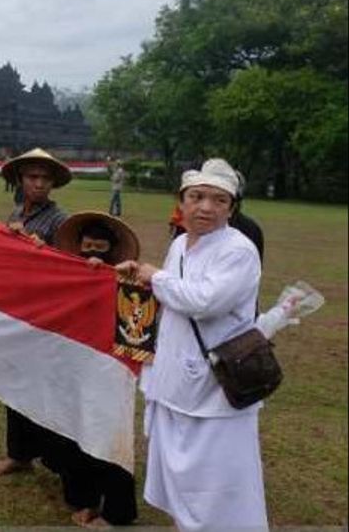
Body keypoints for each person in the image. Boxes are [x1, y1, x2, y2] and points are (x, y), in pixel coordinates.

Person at [116, 158, 268, 531]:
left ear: (231, 208)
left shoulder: (239, 250)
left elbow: (203, 301)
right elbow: (170, 296)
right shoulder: (182, 243)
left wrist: (157, 277)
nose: (206, 207)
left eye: (218, 200)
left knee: (215, 484)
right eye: (197, 197)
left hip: (214, 384)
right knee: (180, 477)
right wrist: (139, 275)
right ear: (181, 202)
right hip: (173, 376)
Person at [0, 148, 72, 478]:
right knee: (15, 384)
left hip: (44, 317)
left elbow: (69, 270)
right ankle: (19, 454)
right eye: (33, 177)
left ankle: (56, 460)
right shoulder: (17, 213)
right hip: (17, 311)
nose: (40, 184)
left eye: (46, 179)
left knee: (43, 388)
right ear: (20, 179)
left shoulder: (61, 221)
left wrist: (42, 250)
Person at [47, 211, 142, 528]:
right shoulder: (64, 274)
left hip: (109, 368)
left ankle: (116, 510)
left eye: (100, 247)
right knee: (72, 430)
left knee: (109, 433)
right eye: (87, 245)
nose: (92, 252)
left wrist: (111, 276)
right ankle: (82, 498)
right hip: (71, 363)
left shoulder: (129, 281)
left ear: (113, 250)